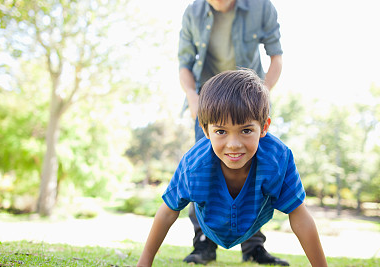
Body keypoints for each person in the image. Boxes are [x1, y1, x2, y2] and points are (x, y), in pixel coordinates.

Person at [137, 69, 327, 267]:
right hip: (210, 221)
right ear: (206, 130)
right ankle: (204, 245)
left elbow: (299, 215)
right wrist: (144, 263)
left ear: (264, 127)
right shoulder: (193, 166)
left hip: (254, 218)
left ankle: (254, 249)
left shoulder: (277, 159)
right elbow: (168, 211)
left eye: (246, 130)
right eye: (221, 131)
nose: (234, 144)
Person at [178, 0, 285, 264]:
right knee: (203, 170)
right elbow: (185, 63)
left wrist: (261, 95)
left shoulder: (262, 7)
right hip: (211, 106)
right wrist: (193, 97)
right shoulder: (193, 13)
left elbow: (276, 58)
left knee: (254, 168)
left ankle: (253, 246)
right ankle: (203, 243)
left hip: (247, 103)